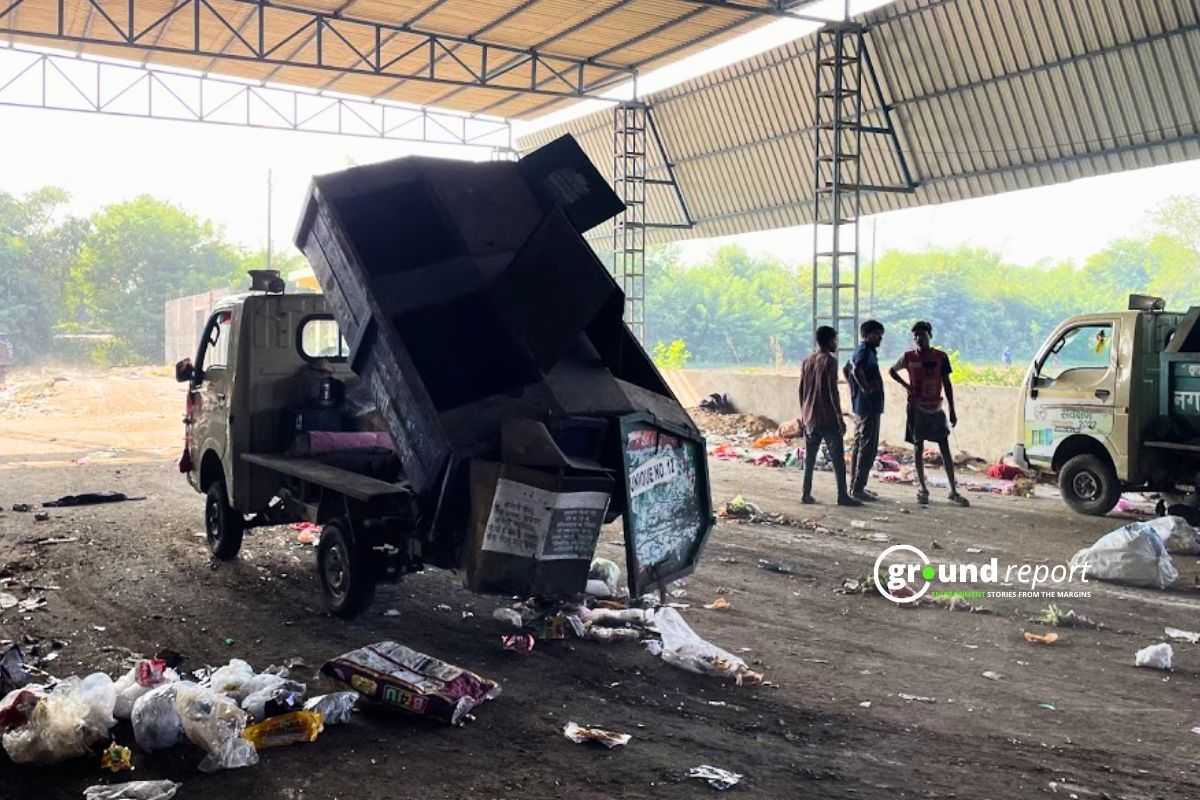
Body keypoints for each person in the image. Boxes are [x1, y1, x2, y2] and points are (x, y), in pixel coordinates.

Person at [888, 321, 969, 507]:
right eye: (915, 335)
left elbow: (947, 384)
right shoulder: (908, 357)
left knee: (945, 448)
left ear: (929, 336)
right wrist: (906, 386)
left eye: (922, 335)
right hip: (917, 409)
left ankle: (953, 490)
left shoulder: (941, 357)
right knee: (918, 447)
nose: (918, 339)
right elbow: (892, 371)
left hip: (936, 408)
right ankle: (923, 489)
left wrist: (952, 410)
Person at [798, 326, 861, 507]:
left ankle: (806, 493)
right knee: (837, 459)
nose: (836, 343)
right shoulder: (830, 361)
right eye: (834, 340)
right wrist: (840, 418)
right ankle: (842, 495)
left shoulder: (807, 361)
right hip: (826, 417)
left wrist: (804, 415)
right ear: (828, 341)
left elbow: (801, 390)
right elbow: (832, 392)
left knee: (809, 458)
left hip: (810, 417)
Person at [845, 320, 885, 502]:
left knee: (860, 445)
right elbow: (855, 370)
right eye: (877, 334)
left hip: (864, 405)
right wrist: (866, 389)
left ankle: (856, 485)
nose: (880, 338)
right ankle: (858, 488)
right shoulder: (864, 351)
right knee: (867, 447)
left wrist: (855, 390)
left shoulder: (864, 352)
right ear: (866, 335)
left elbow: (846, 370)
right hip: (868, 406)